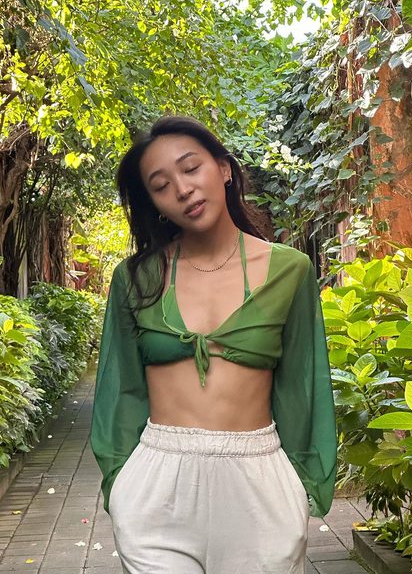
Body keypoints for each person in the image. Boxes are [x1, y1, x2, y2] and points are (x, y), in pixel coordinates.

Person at [90, 115, 337, 574]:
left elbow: (303, 389)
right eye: (161, 185)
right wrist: (121, 485)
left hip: (259, 486)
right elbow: (119, 391)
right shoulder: (136, 277)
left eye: (191, 168)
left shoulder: (290, 270)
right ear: (153, 202)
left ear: (224, 169)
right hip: (156, 485)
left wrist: (301, 488)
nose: (183, 190)